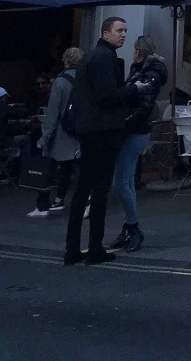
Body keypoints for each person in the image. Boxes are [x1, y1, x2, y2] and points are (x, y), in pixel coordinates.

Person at [65, 17, 147, 265]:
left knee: (82, 190)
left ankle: (72, 249)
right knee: (99, 189)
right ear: (106, 32)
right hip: (103, 131)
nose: (124, 35)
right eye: (119, 30)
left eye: (125, 30)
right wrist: (135, 89)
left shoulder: (90, 57)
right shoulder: (106, 58)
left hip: (88, 130)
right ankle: (94, 249)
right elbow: (108, 95)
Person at [107, 36, 168, 253]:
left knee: (122, 183)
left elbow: (143, 107)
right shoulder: (141, 71)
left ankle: (133, 227)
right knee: (125, 182)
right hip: (133, 129)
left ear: (139, 51)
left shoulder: (148, 74)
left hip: (135, 131)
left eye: (134, 49)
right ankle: (128, 227)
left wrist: (122, 123)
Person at [28, 48, 83, 218]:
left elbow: (53, 112)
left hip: (61, 132)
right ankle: (63, 199)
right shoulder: (87, 79)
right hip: (79, 131)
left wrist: (44, 137)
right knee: (74, 167)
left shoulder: (60, 81)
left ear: (65, 60)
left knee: (48, 169)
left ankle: (43, 205)